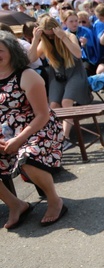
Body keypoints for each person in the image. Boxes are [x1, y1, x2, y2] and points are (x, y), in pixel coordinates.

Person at [0, 32, 67, 227]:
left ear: (12, 51)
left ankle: (54, 200)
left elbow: (42, 115)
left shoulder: (27, 76)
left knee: (27, 157)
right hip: (6, 132)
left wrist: (19, 140)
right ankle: (16, 205)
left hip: (39, 128)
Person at [29, 16, 91, 149]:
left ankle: (65, 137)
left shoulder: (68, 35)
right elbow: (31, 59)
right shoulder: (45, 41)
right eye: (48, 36)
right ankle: (58, 135)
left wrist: (62, 37)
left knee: (66, 101)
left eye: (52, 35)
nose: (51, 38)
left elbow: (78, 54)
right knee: (54, 104)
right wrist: (35, 39)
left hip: (75, 73)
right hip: (58, 75)